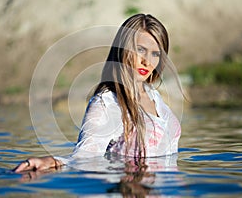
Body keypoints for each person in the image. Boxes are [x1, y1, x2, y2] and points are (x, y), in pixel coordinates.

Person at [13, 13, 182, 173]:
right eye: (140, 50)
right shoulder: (108, 103)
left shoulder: (155, 97)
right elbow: (86, 156)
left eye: (155, 54)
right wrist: (53, 162)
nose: (147, 61)